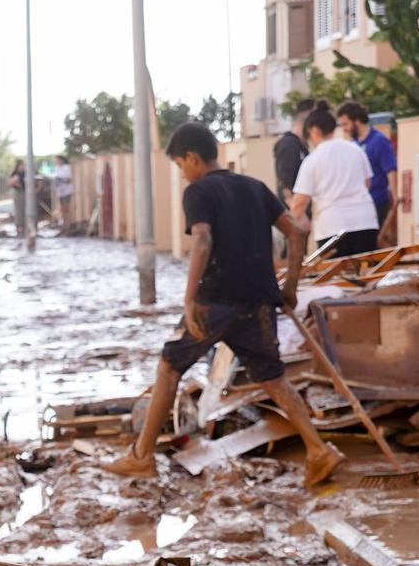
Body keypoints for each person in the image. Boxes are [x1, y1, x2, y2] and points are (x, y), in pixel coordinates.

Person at [105, 121, 344, 487]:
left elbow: (202, 239)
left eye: (180, 166)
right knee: (274, 378)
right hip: (259, 300)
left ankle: (141, 458)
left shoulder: (198, 192)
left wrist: (189, 300)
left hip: (214, 301)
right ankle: (317, 449)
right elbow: (296, 233)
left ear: (192, 158)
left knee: (170, 367)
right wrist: (290, 287)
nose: (182, 174)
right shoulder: (254, 187)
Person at [289, 104, 380, 260]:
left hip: (332, 226)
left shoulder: (312, 160)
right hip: (365, 222)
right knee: (368, 275)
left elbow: (300, 202)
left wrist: (289, 229)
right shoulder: (355, 150)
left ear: (313, 130)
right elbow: (367, 183)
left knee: (335, 280)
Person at [337, 101, 397, 243]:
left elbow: (390, 170)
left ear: (356, 121)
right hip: (356, 204)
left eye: (346, 124)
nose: (344, 129)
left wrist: (395, 198)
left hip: (376, 201)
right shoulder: (354, 144)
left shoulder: (379, 141)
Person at [272, 99, 320, 204]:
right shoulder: (288, 145)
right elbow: (285, 186)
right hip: (296, 217)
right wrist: (299, 217)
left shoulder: (301, 146)